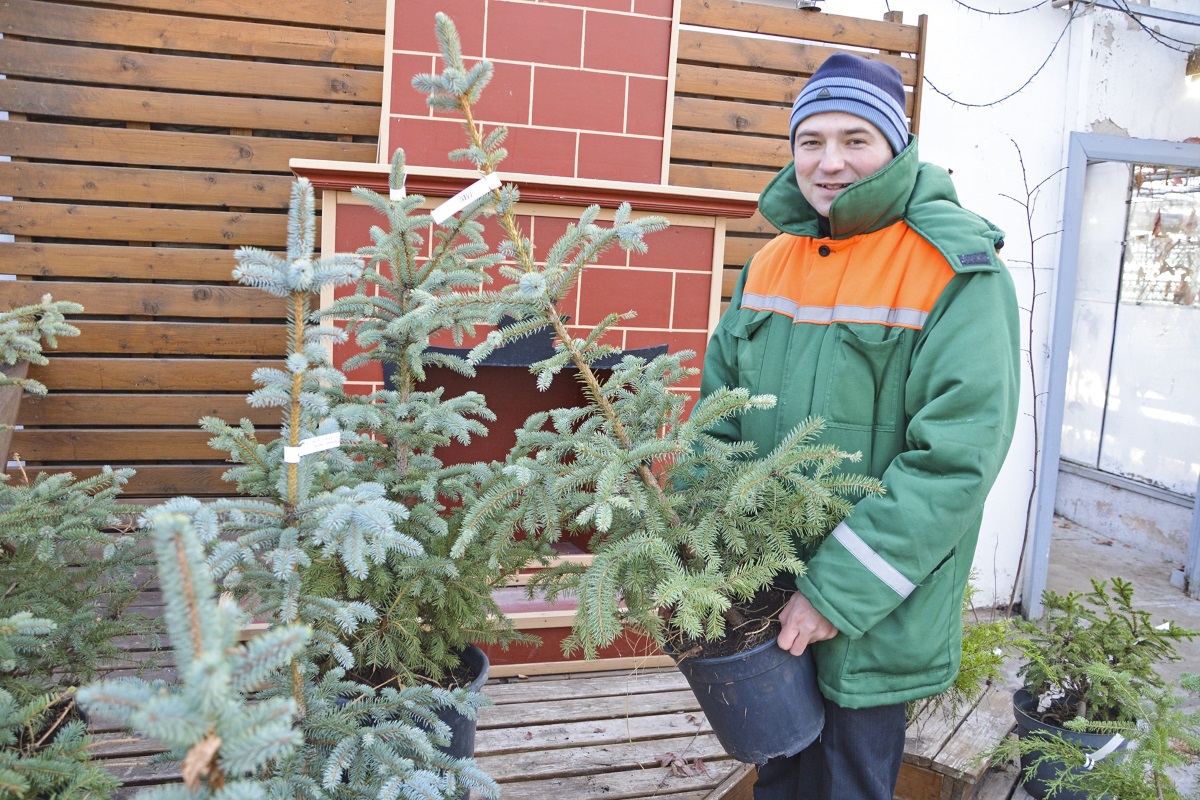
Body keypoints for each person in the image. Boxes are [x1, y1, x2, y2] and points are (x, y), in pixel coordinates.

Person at [698, 52, 1021, 800]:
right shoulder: (771, 263)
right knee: (777, 775)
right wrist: (699, 547)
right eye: (811, 141)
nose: (830, 162)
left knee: (849, 782)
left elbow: (955, 460)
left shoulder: (955, 268)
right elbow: (717, 418)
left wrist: (835, 594)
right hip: (763, 596)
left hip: (873, 610)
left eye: (855, 140)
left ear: (896, 148)